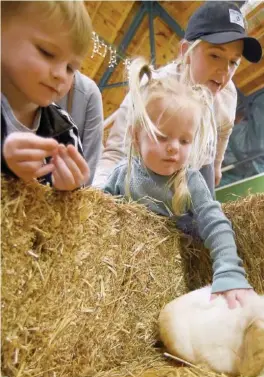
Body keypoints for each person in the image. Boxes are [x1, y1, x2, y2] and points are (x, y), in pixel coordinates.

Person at [102, 58, 255, 309]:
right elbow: (100, 213)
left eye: (184, 141)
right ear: (136, 136)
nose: (173, 147)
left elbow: (215, 222)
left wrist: (228, 268)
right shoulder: (122, 175)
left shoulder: (191, 181)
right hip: (128, 279)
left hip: (176, 280)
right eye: (161, 137)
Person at [93, 1, 262, 195]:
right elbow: (115, 153)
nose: (225, 70)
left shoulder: (228, 94)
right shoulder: (151, 88)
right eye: (215, 55)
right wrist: (99, 196)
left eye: (233, 62)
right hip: (149, 179)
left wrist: (217, 164)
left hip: (196, 167)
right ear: (185, 52)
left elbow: (224, 129)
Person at [1, 1, 92, 190]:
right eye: (47, 53)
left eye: (70, 68)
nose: (60, 74)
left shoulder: (66, 131)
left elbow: (77, 207)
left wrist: (71, 189)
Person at [57, 70, 104, 185]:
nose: (58, 74)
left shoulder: (88, 92)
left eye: (69, 68)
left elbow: (92, 155)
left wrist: (81, 191)